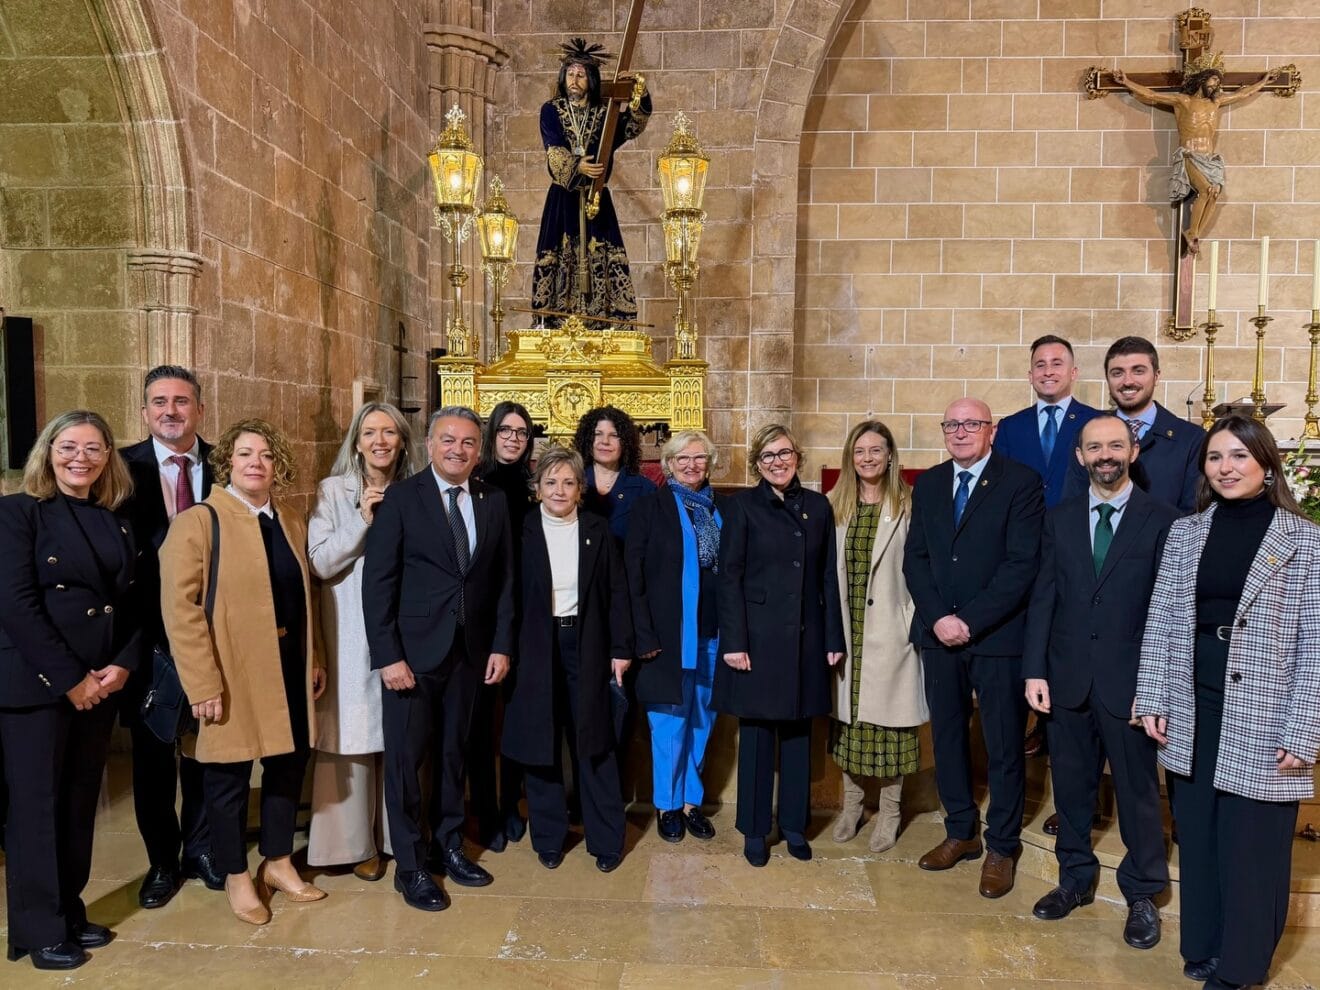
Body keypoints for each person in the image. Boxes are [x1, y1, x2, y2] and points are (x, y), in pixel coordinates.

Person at [1136, 416, 1320, 990]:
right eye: (1216, 458)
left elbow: (1316, 641)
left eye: (1240, 456)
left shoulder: (1304, 538)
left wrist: (1304, 728)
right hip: (1194, 699)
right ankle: (1206, 942)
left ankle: (1240, 967)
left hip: (1268, 706)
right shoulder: (1187, 533)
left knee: (1253, 845)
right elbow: (1163, 620)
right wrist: (1153, 696)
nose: (1227, 468)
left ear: (1267, 465)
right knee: (1200, 830)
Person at [160, 419, 328, 926]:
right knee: (228, 779)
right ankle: (235, 874)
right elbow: (180, 609)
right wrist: (202, 683)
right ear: (226, 462)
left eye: (266, 454)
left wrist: (315, 656)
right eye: (245, 453)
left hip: (289, 669)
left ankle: (277, 862)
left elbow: (307, 598)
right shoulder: (199, 522)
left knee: (287, 769)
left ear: (278, 465)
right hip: (229, 674)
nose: (256, 462)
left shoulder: (292, 520)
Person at [1023, 415, 1175, 950]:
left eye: (1115, 445)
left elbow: (1168, 612)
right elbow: (1045, 595)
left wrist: (1156, 685)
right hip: (1065, 677)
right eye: (1094, 447)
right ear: (1080, 457)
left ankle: (1142, 892)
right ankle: (1074, 880)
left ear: (1133, 451)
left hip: (1131, 683)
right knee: (1071, 787)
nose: (1105, 454)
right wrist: (1035, 669)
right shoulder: (1059, 518)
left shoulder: (1164, 520)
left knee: (1136, 791)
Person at [0, 411, 141, 970]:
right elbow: (15, 605)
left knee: (80, 802)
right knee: (37, 807)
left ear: (109, 457)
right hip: (38, 684)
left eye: (94, 448)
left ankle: (69, 911)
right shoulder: (17, 514)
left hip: (98, 682)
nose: (80, 457)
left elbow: (129, 602)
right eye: (68, 446)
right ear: (47, 451)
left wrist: (123, 666)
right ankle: (38, 930)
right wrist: (70, 679)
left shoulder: (116, 520)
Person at [362, 406, 514, 912]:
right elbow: (378, 583)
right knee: (406, 763)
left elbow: (504, 582)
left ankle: (448, 846)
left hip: (470, 655)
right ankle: (410, 865)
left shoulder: (493, 502)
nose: (459, 450)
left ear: (480, 450)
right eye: (449, 440)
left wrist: (500, 644)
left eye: (469, 442)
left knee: (454, 756)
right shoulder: (402, 500)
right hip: (411, 655)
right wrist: (388, 656)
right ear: (429, 445)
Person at [903, 397, 1044, 898]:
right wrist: (940, 618)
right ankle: (960, 831)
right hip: (940, 638)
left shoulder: (1021, 483)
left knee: (1004, 744)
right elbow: (915, 558)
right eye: (952, 424)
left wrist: (970, 619)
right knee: (946, 736)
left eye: (972, 424)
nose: (961, 432)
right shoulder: (931, 483)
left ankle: (1001, 845)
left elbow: (1022, 565)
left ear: (992, 430)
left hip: (997, 637)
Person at [715, 424, 846, 867]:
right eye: (767, 456)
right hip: (756, 638)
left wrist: (833, 636)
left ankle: (794, 825)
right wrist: (733, 641)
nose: (777, 461)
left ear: (797, 457)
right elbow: (728, 577)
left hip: (806, 637)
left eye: (784, 453)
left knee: (797, 736)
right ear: (757, 463)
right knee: (755, 737)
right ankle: (754, 830)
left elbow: (828, 575)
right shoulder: (741, 507)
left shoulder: (817, 506)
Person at [119, 366, 225, 906]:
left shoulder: (225, 464)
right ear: (144, 412)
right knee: (154, 756)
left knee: (208, 749)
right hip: (148, 637)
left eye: (181, 402)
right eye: (159, 401)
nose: (170, 410)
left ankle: (201, 849)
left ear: (199, 410)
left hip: (212, 632)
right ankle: (163, 860)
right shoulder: (119, 468)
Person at [503, 447, 632, 872]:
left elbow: (617, 595)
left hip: (587, 645)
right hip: (535, 648)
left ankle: (607, 838)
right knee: (542, 742)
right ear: (537, 489)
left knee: (593, 741)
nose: (560, 490)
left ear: (581, 489)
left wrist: (620, 650)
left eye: (569, 482)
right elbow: (506, 597)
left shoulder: (598, 529)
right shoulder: (520, 531)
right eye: (551, 482)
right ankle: (549, 837)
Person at [306, 403, 414, 881]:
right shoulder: (334, 491)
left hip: (403, 622)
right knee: (353, 733)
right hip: (349, 623)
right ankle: (354, 843)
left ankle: (399, 836)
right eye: (370, 432)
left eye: (389, 432)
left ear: (403, 441)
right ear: (356, 441)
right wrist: (363, 522)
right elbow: (320, 562)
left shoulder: (415, 490)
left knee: (398, 734)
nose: (380, 441)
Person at [826, 420, 927, 853]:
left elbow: (926, 566)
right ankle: (852, 805)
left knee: (892, 730)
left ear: (890, 456)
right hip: (848, 632)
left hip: (891, 630)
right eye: (860, 451)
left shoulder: (908, 503)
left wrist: (912, 618)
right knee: (847, 728)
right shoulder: (834, 505)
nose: (867, 458)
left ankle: (889, 812)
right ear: (851, 457)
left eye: (876, 450)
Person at [625, 430, 723, 843]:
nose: (691, 465)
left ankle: (690, 803)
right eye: (682, 458)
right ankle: (666, 804)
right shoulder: (650, 507)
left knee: (702, 720)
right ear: (667, 464)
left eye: (699, 458)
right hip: (667, 637)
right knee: (668, 723)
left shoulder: (722, 511)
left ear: (709, 463)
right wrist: (642, 635)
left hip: (712, 633)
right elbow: (633, 575)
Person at [532, 37, 652, 323]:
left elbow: (633, 126)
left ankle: (604, 320)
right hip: (563, 198)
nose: (575, 79)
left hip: (597, 199)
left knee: (603, 254)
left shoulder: (605, 113)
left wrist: (640, 93)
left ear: (591, 79)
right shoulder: (551, 110)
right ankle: (556, 320)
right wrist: (577, 167)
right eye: (571, 74)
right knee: (560, 255)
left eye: (581, 74)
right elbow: (554, 149)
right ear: (564, 77)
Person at [1111, 62, 1279, 255]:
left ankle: (1194, 232)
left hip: (1209, 158)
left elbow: (1243, 94)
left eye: (1218, 82)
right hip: (1190, 155)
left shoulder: (1216, 102)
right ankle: (1192, 233)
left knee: (1214, 193)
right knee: (1207, 189)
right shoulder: (1184, 102)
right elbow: (1151, 95)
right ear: (1202, 79)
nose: (1217, 85)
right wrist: (1127, 82)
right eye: (1214, 80)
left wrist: (1264, 81)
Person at [469, 401, 537, 849]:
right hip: (483, 612)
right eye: (506, 430)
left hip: (527, 610)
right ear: (493, 434)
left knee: (516, 714)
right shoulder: (477, 484)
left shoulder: (535, 486)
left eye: (522, 432)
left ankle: (511, 801)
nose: (513, 438)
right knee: (477, 720)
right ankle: (485, 810)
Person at [993, 335, 1098, 510]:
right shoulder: (1010, 427)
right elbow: (999, 486)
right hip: (1024, 529)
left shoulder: (1095, 422)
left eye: (1057, 364)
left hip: (1076, 529)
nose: (1048, 371)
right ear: (1030, 376)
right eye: (1040, 365)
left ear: (1073, 373)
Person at [1102, 336, 1204, 514]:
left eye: (1138, 371)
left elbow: (1193, 511)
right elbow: (1075, 502)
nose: (1127, 381)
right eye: (1117, 373)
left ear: (1156, 376)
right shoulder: (1089, 432)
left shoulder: (1191, 439)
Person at [575, 405, 657, 544]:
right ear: (587, 440)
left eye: (614, 435)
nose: (605, 441)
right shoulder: (571, 483)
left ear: (625, 443)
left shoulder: (645, 490)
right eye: (597, 434)